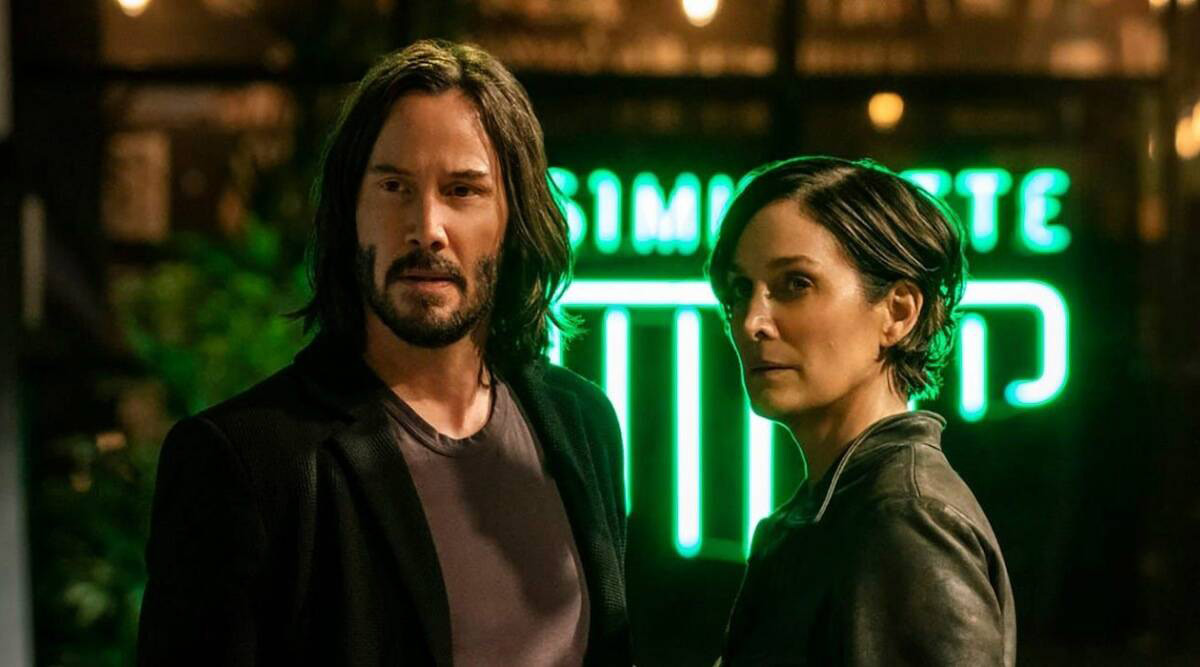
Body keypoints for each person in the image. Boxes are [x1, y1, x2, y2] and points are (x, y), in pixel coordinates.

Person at [137, 40, 631, 666]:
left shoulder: (582, 423)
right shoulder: (245, 462)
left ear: (514, 219)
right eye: (394, 186)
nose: (426, 228)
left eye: (463, 190)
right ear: (351, 211)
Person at [707, 156, 1015, 666]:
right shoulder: (840, 510)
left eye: (795, 284)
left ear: (898, 311)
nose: (752, 322)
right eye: (741, 290)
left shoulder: (905, 517)